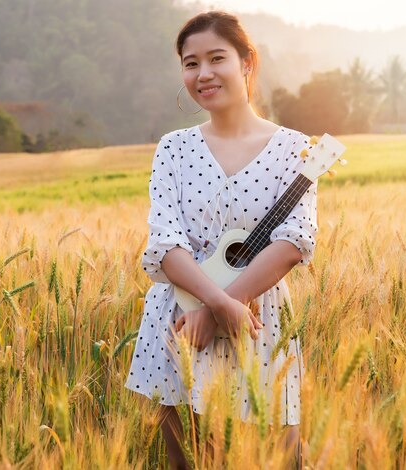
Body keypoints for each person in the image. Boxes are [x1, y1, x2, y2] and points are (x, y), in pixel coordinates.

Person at [125, 10, 318, 469]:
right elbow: (164, 243)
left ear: (247, 62)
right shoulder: (172, 148)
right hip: (181, 324)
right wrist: (217, 305)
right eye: (190, 63)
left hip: (259, 320)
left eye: (216, 58)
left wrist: (227, 307)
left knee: (279, 457)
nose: (203, 74)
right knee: (188, 460)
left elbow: (294, 241)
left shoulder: (296, 148)